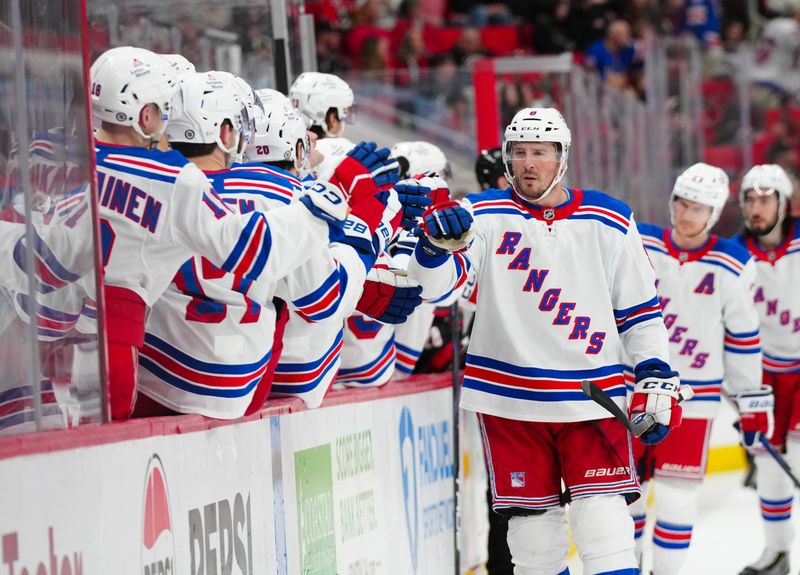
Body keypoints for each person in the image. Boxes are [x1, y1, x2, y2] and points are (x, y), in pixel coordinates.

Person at [407, 106, 679, 574]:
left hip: (592, 398)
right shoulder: (481, 216)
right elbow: (436, 289)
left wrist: (655, 375)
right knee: (533, 546)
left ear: (562, 157)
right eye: (519, 153)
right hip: (510, 404)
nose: (528, 163)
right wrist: (431, 250)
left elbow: (640, 311)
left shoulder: (609, 219)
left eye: (540, 152)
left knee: (605, 528)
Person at [90, 47, 352, 418]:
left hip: (60, 337)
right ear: (144, 113)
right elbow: (254, 250)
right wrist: (315, 214)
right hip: (167, 364)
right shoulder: (173, 178)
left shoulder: (53, 154)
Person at [630, 163, 771, 575]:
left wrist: (751, 403)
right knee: (625, 496)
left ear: (714, 214)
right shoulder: (640, 244)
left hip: (694, 398)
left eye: (697, 209)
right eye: (681, 204)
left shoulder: (735, 263)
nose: (685, 215)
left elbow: (745, 340)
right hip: (631, 388)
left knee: (676, 497)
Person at [734, 164, 800, 575]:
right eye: (750, 200)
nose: (756, 208)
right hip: (765, 376)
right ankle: (777, 553)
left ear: (783, 202)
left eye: (765, 199)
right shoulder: (735, 257)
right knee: (772, 467)